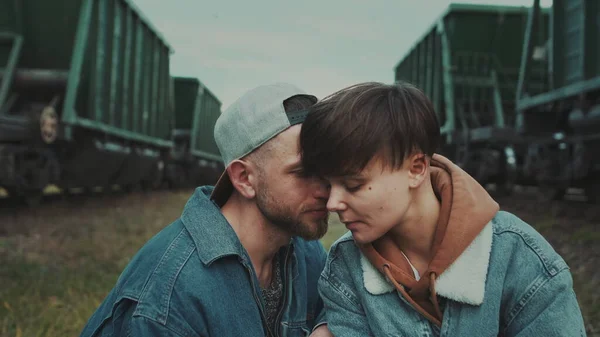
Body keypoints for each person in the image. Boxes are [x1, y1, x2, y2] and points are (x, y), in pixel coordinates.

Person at [298, 81, 586, 337]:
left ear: (416, 168)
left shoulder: (519, 257)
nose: (333, 203)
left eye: (353, 184)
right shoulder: (345, 264)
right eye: (329, 184)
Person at [79, 83, 333, 337]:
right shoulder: (172, 295)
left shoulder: (305, 252)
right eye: (303, 172)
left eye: (328, 167)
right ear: (244, 178)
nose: (327, 188)